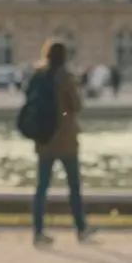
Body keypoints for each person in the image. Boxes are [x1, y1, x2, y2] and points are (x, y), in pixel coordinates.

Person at [30, 39, 95, 247]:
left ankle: (38, 232)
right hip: (65, 138)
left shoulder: (38, 76)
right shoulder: (65, 77)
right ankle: (81, 229)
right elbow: (76, 105)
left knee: (41, 187)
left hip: (44, 138)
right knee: (74, 186)